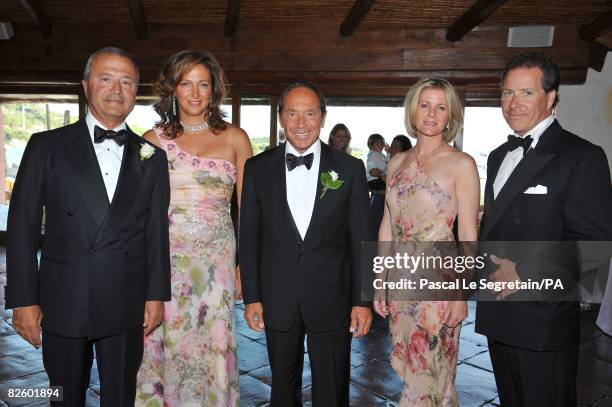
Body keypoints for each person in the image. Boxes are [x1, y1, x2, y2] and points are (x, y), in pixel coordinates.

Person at [4, 47, 171, 405]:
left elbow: (156, 233)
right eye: (106, 78)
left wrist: (155, 295)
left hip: (125, 299)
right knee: (62, 395)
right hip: (65, 297)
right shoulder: (46, 146)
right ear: (86, 85)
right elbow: (22, 228)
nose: (116, 89)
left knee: (121, 396)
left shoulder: (152, 157)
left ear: (135, 92)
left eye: (127, 81)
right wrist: (23, 301)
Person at [475, 53, 612, 406]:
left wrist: (524, 273)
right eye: (506, 93)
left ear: (550, 98)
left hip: (543, 318)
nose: (513, 103)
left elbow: (595, 246)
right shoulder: (495, 156)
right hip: (498, 313)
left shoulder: (582, 155)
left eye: (526, 93)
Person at [239, 81, 372, 406]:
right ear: (281, 117)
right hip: (277, 296)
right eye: (293, 113)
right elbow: (249, 237)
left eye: (310, 113)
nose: (301, 123)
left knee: (332, 390)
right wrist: (252, 297)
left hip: (332, 297)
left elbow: (361, 241)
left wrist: (362, 301)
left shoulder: (350, 169)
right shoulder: (257, 168)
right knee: (282, 391)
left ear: (323, 117)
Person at [136, 50, 252, 406]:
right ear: (172, 88)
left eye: (203, 84)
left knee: (211, 344)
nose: (195, 92)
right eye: (186, 83)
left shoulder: (235, 139)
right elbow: (139, 213)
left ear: (214, 90)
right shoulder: (152, 140)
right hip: (166, 264)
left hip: (216, 265)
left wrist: (243, 265)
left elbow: (249, 210)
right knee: (165, 344)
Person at [374, 77, 479, 406]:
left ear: (451, 116)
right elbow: (387, 228)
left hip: (439, 289)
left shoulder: (462, 164)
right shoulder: (395, 164)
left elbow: (467, 236)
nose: (432, 114)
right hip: (402, 286)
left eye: (441, 107)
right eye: (425, 105)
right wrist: (380, 283)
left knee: (432, 375)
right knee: (411, 373)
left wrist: (462, 295)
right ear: (413, 110)